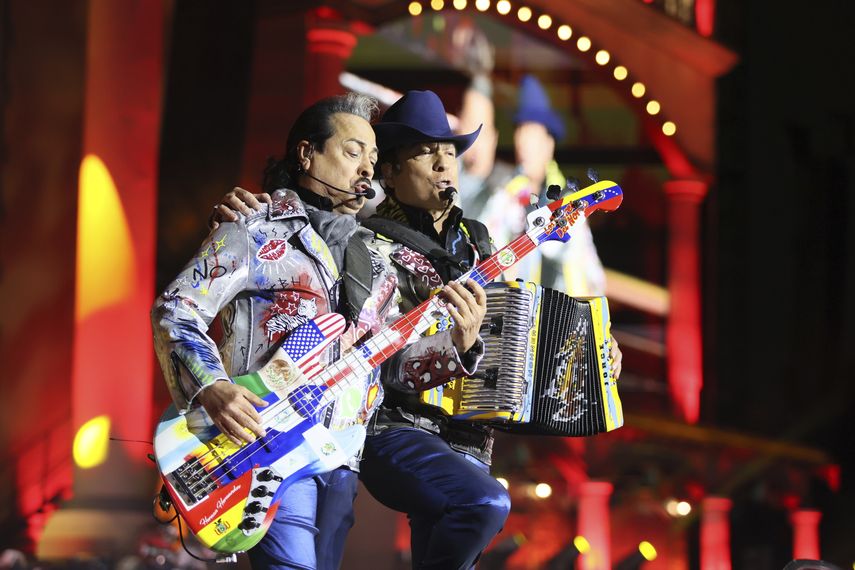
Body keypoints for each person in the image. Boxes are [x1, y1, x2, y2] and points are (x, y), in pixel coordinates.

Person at [151, 92, 486, 570]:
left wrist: (458, 343)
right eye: (353, 153)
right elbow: (176, 309)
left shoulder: (380, 259)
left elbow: (391, 366)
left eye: (373, 159)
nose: (367, 170)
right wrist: (212, 386)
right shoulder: (254, 228)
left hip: (340, 457)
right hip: (260, 443)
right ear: (307, 153)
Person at [357, 90, 509, 570]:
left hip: (467, 434)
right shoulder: (367, 243)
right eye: (427, 152)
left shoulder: (478, 241)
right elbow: (380, 363)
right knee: (486, 504)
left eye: (450, 153)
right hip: (394, 428)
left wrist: (591, 354)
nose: (445, 164)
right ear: (391, 172)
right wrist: (457, 347)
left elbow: (509, 331)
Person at [460, 74, 607, 297]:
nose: (523, 144)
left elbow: (591, 272)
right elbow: (486, 253)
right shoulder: (504, 197)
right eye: (520, 133)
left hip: (561, 314)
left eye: (532, 136)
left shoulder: (570, 201)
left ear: (549, 144)